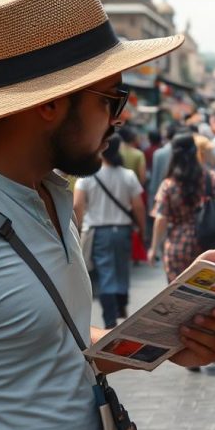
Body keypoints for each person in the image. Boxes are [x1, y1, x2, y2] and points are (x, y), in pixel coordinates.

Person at [0, 0, 215, 430]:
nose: (121, 118)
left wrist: (166, 341)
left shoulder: (52, 195)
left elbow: (57, 345)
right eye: (112, 99)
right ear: (52, 102)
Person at [73, 134, 146, 328]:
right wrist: (142, 227)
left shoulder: (87, 176)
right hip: (123, 230)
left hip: (98, 232)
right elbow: (138, 206)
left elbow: (77, 205)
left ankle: (110, 319)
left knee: (106, 274)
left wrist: (78, 229)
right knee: (122, 269)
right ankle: (121, 304)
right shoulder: (127, 175)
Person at [149, 134, 215, 284]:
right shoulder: (209, 177)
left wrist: (153, 249)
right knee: (205, 294)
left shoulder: (168, 184)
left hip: (176, 247)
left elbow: (161, 219)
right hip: (205, 245)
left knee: (177, 295)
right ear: (195, 152)